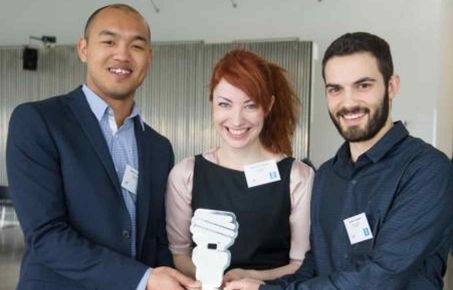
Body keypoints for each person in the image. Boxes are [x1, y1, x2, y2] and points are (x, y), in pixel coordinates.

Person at [224, 32, 453, 290]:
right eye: (335, 89)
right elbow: (315, 266)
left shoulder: (427, 170)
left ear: (391, 87)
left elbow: (381, 276)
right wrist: (258, 280)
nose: (348, 102)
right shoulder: (327, 175)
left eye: (363, 85)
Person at [6, 4, 198, 290]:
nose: (122, 54)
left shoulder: (158, 147)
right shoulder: (39, 121)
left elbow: (155, 239)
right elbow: (46, 235)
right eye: (108, 41)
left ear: (149, 58)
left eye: (136, 45)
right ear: (83, 49)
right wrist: (143, 279)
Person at [165, 49, 314, 284]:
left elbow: (300, 264)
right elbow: (179, 253)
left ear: (269, 105)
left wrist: (252, 278)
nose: (236, 120)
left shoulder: (297, 177)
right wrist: (211, 279)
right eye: (225, 104)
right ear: (212, 103)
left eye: (250, 105)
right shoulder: (186, 174)